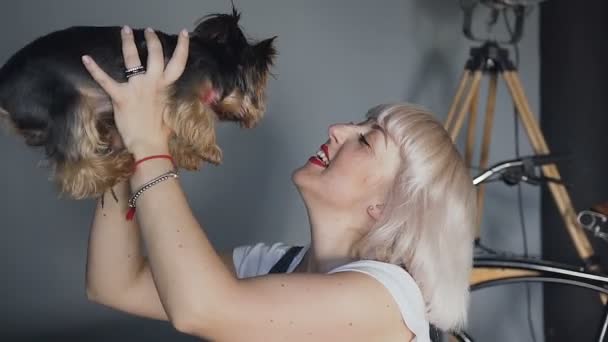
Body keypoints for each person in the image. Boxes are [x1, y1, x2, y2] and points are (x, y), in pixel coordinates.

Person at [83, 26, 476, 342]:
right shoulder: (277, 264)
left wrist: (149, 145)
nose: (338, 129)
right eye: (358, 122)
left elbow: (203, 310)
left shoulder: (385, 299)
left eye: (366, 140)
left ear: (386, 206)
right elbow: (117, 284)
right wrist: (124, 143)